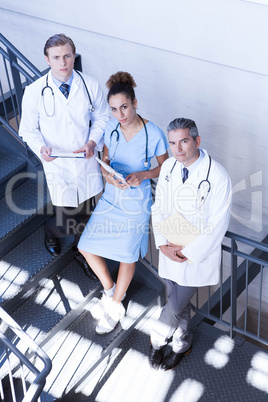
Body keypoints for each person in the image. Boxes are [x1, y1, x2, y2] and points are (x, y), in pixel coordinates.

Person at [78, 71, 169, 334]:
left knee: (128, 255)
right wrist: (109, 176)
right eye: (114, 109)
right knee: (86, 245)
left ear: (135, 103)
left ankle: (116, 305)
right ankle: (109, 290)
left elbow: (165, 168)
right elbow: (104, 162)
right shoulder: (110, 128)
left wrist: (143, 174)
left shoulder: (153, 133)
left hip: (137, 202)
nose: (120, 114)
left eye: (125, 107)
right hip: (112, 197)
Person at [19, 33, 109, 279]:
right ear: (47, 59)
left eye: (67, 56)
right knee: (68, 220)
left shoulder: (89, 85)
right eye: (57, 57)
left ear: (73, 56)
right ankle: (50, 231)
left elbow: (102, 117)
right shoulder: (35, 91)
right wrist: (41, 148)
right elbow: (27, 129)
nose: (63, 62)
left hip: (86, 160)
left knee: (87, 214)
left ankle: (82, 253)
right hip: (58, 164)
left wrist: (92, 141)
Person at [148, 117, 232, 371]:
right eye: (172, 143)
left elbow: (219, 223)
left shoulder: (217, 176)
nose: (178, 149)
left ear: (196, 141)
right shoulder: (168, 168)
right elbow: (158, 206)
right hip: (169, 249)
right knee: (180, 306)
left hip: (194, 256)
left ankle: (156, 339)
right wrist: (162, 244)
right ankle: (182, 344)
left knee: (174, 306)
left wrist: (188, 252)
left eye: (183, 141)